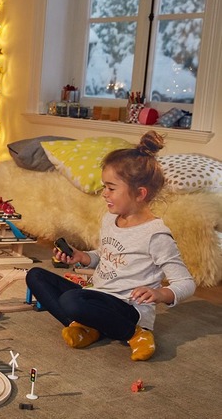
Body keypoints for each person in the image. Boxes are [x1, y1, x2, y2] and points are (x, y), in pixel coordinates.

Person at [25, 131, 195, 361]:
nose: (104, 193)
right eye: (105, 186)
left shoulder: (156, 235)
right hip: (97, 297)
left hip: (127, 308)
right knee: (35, 276)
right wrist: (83, 257)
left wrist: (159, 293)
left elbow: (185, 283)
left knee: (71, 301)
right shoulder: (109, 219)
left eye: (111, 188)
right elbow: (107, 255)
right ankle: (88, 326)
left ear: (140, 194)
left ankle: (135, 334)